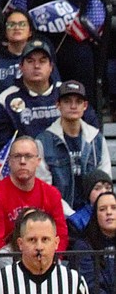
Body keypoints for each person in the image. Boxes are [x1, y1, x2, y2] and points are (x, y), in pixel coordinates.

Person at [0, 39, 101, 154]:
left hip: (69, 162)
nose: (36, 66)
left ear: (51, 67)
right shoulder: (5, 99)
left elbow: (93, 132)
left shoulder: (69, 94)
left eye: (42, 61)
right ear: (21, 67)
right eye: (30, 61)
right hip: (27, 165)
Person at [0, 135, 69, 253]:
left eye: (28, 156)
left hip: (47, 258)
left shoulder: (52, 194)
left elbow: (61, 236)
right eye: (17, 156)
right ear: (9, 161)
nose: (22, 161)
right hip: (9, 262)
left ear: (38, 161)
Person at [36, 80, 112, 214]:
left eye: (78, 102)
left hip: (94, 215)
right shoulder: (43, 141)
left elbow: (105, 184)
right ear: (57, 105)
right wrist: (71, 215)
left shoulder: (97, 139)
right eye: (67, 101)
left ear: (85, 106)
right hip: (56, 215)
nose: (73, 106)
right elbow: (44, 189)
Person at [0, 8, 61, 94]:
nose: (17, 27)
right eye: (11, 24)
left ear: (30, 32)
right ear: (5, 32)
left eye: (22, 24)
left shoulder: (43, 56)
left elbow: (56, 89)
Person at [72, 190, 116, 294]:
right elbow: (92, 289)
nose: (109, 213)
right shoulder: (84, 246)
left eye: (113, 208)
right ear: (95, 214)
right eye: (103, 209)